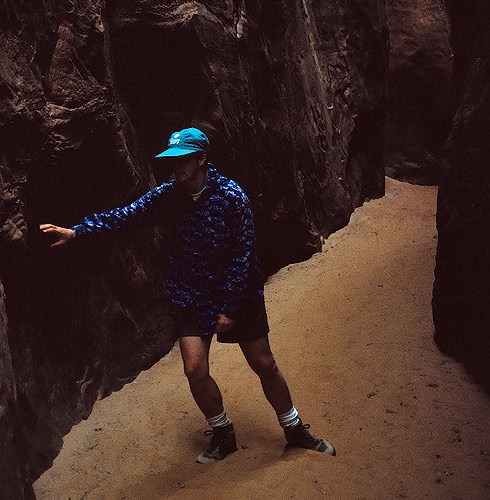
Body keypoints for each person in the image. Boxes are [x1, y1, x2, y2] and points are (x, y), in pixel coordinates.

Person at [40, 127, 335, 463]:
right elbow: (126, 216)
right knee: (194, 369)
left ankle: (294, 429)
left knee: (264, 363)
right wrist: (77, 232)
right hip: (191, 292)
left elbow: (243, 256)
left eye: (182, 159)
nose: (176, 166)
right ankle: (223, 433)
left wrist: (229, 308)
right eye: (172, 159)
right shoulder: (169, 194)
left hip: (235, 292)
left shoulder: (232, 197)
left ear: (201, 159)